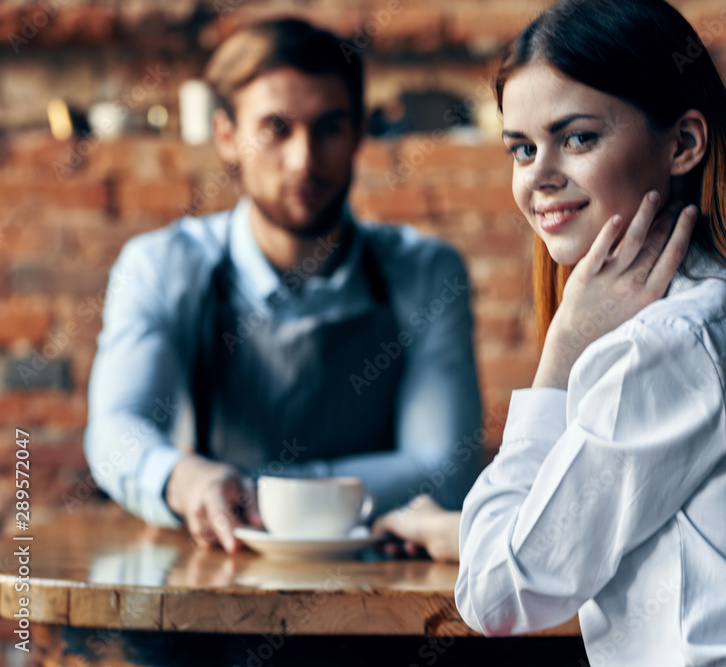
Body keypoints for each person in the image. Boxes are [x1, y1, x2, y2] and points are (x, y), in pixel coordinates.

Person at [449, 1, 726, 665]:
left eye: (577, 138)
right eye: (521, 147)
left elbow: (494, 593)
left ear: (682, 143)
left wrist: (561, 354)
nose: (537, 176)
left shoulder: (669, 345)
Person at [84, 18, 482, 554]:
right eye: (276, 128)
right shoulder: (161, 266)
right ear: (226, 136)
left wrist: (254, 490)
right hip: (221, 580)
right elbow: (114, 431)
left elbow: (445, 470)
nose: (304, 160)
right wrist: (185, 479)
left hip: (381, 591)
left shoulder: (426, 271)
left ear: (359, 133)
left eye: (329, 127)